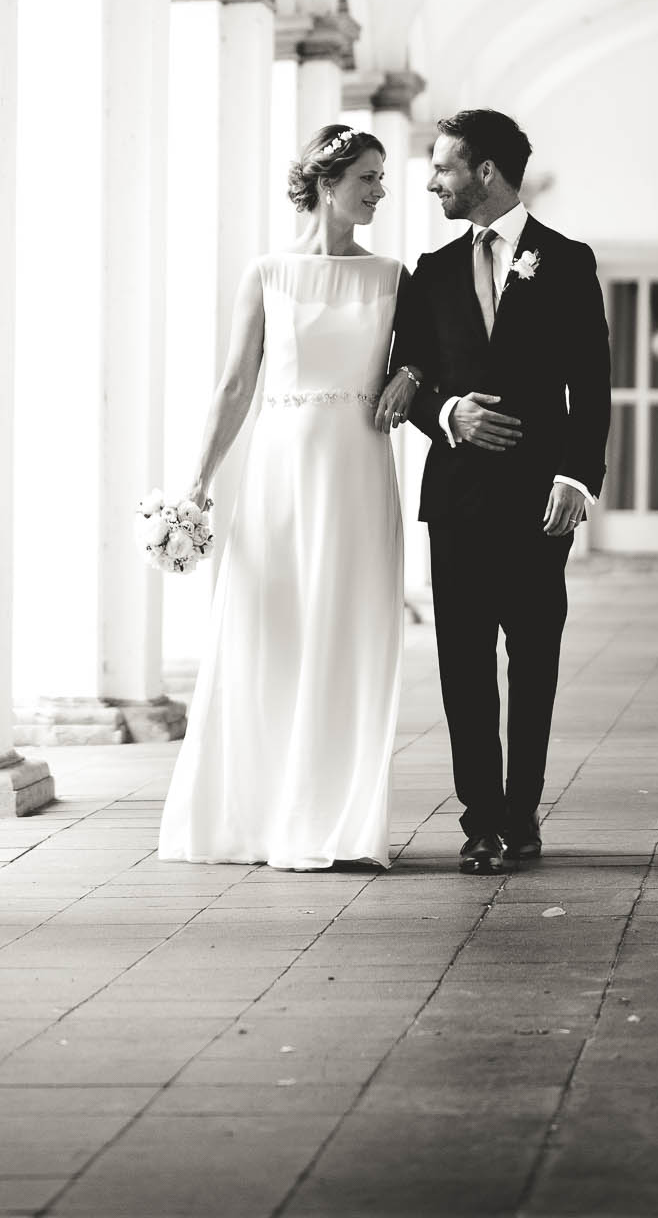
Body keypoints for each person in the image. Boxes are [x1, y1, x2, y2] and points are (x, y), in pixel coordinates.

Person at [157, 124, 416, 870]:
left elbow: (428, 357)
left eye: (382, 178)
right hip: (280, 471)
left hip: (356, 470)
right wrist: (196, 484)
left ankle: (336, 821)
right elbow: (235, 384)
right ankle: (256, 816)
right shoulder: (268, 272)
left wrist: (414, 376)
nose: (379, 191)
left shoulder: (393, 277)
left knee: (350, 634)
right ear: (327, 184)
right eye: (367, 178)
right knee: (268, 634)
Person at [387, 109, 611, 875]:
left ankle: (522, 814)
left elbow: (592, 382)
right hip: (455, 500)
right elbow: (408, 377)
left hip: (538, 502)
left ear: (484, 171)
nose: (431, 182)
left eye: (443, 167)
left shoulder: (566, 260)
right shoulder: (431, 271)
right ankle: (480, 820)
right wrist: (447, 413)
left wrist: (576, 477)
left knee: (534, 660)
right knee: (462, 664)